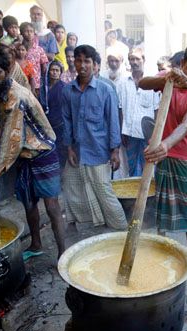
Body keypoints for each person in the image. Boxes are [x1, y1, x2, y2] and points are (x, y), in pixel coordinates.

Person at [0, 45, 66, 261]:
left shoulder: (14, 96)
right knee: (28, 203)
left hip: (43, 153)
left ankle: (64, 252)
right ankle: (36, 244)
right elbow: (6, 129)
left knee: (52, 206)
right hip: (25, 158)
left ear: (6, 70)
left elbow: (12, 140)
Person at [139, 41, 187, 252]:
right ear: (182, 63)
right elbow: (143, 83)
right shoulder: (169, 77)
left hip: (183, 156)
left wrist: (166, 144)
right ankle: (160, 246)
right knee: (162, 204)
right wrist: (168, 77)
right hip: (161, 152)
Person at [61, 45, 127, 230]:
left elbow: (113, 121)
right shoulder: (68, 91)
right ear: (74, 62)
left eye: (87, 61)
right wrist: (69, 148)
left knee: (103, 190)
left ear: (95, 65)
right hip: (78, 150)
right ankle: (90, 222)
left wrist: (115, 151)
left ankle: (121, 228)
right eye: (79, 60)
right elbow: (66, 121)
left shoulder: (106, 90)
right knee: (71, 185)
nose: (82, 65)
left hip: (99, 149)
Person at [116, 47, 159, 177]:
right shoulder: (122, 82)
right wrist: (121, 131)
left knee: (148, 166)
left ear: (143, 60)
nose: (134, 62)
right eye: (131, 59)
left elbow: (156, 109)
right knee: (132, 166)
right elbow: (120, 108)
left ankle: (147, 196)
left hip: (147, 134)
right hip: (129, 133)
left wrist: (155, 134)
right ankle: (134, 196)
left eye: (137, 59)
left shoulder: (152, 81)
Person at [39, 59, 66, 167]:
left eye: (57, 70)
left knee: (59, 151)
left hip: (59, 125)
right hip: (45, 124)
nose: (54, 72)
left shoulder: (64, 88)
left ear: (60, 73)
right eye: (52, 70)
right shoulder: (43, 88)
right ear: (48, 72)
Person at [19, 21, 47, 95]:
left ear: (34, 33)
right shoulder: (18, 49)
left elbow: (44, 67)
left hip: (36, 83)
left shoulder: (39, 49)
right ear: (21, 33)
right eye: (26, 31)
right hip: (21, 82)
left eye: (31, 31)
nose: (29, 33)